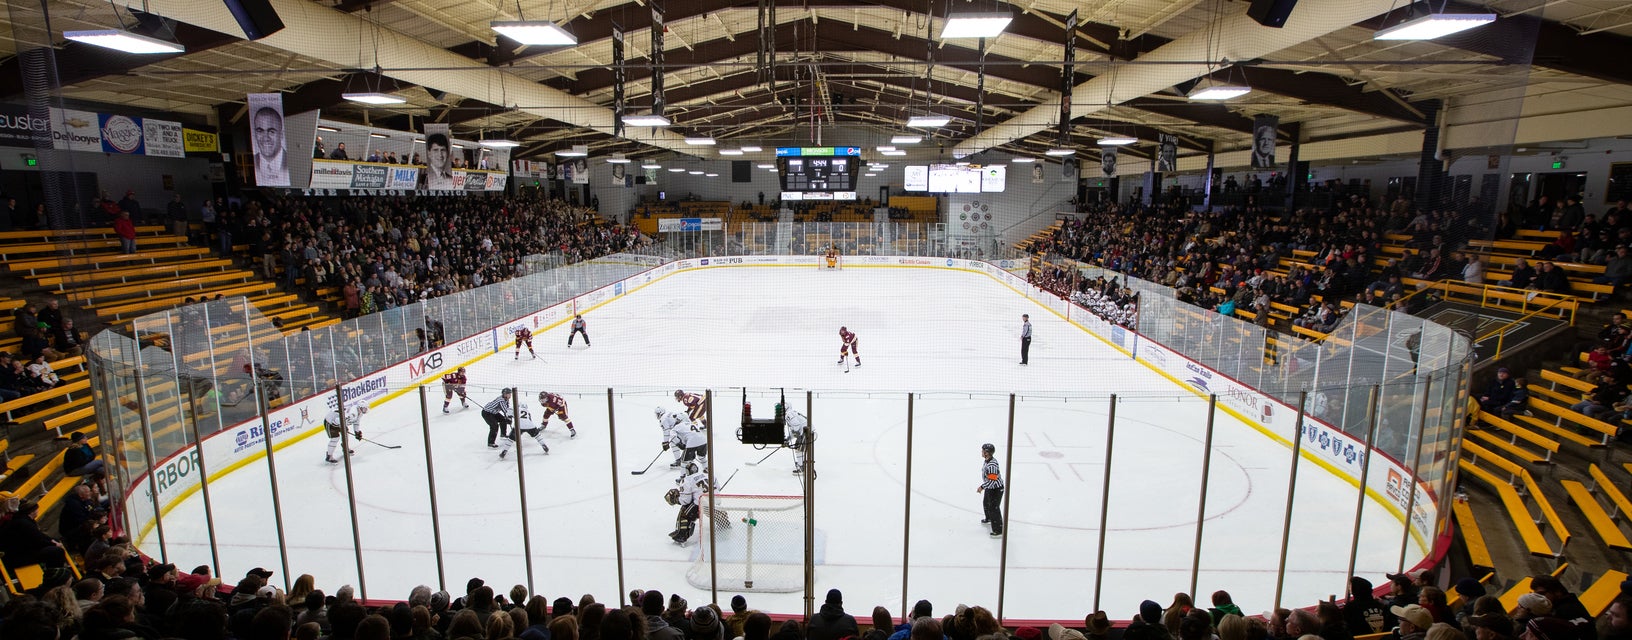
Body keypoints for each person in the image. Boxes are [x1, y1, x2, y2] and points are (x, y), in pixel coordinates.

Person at [250, 107, 290, 186]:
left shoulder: (292, 162)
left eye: (271, 131)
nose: (265, 138)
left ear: (281, 134)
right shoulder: (250, 163)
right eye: (260, 131)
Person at [978, 443, 1004, 537]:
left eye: (983, 451)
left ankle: (998, 530)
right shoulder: (987, 460)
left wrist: (982, 487)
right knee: (986, 503)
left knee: (994, 508)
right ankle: (989, 518)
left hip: (996, 489)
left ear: (987, 453)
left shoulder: (992, 465)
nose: (981, 452)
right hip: (990, 487)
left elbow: (992, 481)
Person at [782, 401, 812, 476]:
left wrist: (794, 435)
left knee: (799, 448)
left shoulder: (788, 414)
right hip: (807, 431)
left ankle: (801, 468)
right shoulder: (792, 412)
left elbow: (796, 426)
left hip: (806, 432)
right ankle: (801, 463)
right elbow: (794, 429)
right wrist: (788, 439)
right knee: (798, 447)